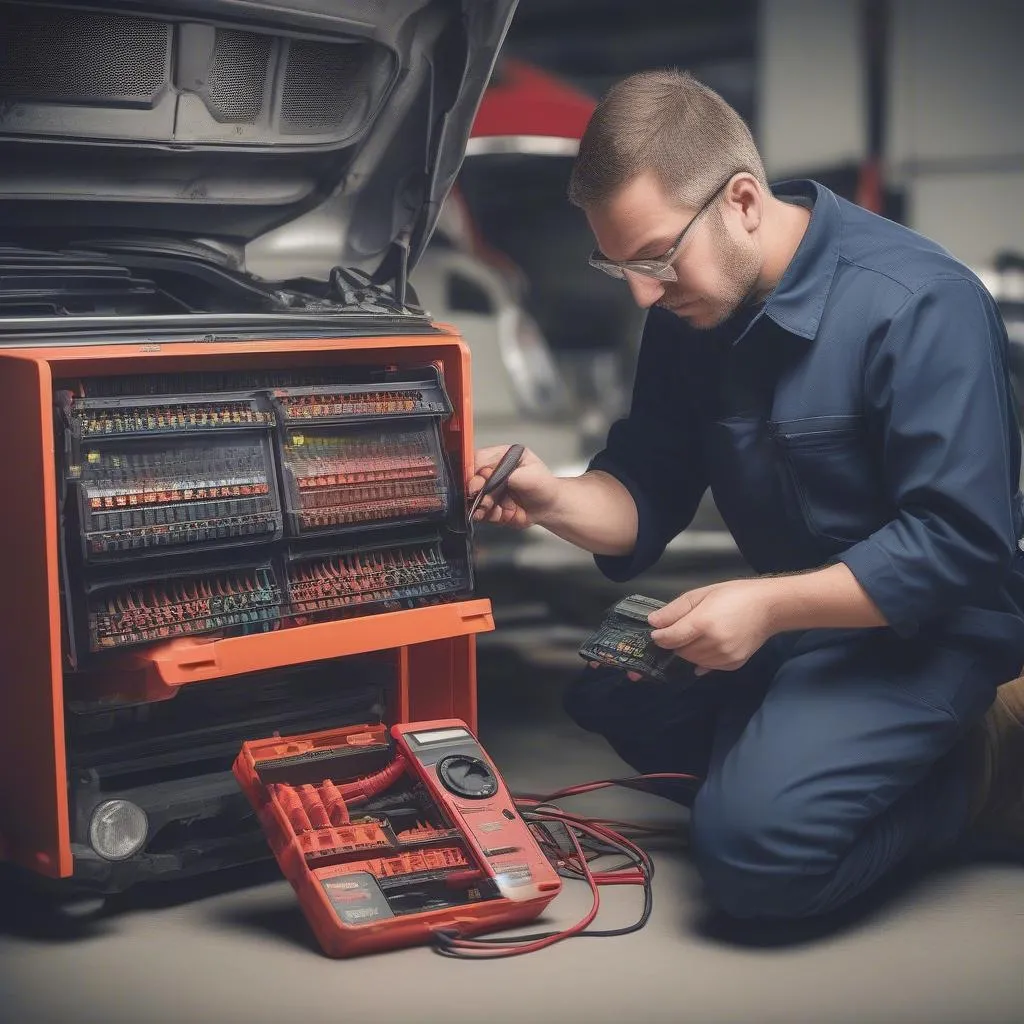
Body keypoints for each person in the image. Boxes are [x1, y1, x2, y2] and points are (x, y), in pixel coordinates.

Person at [469, 69, 1024, 921]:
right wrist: (550, 494)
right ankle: (803, 758)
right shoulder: (689, 316)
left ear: (742, 201)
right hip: (801, 626)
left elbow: (958, 546)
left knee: (755, 861)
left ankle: (969, 765)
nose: (645, 292)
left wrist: (763, 611)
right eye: (619, 266)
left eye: (656, 257)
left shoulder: (921, 304)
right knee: (608, 686)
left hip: (930, 633)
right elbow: (643, 490)